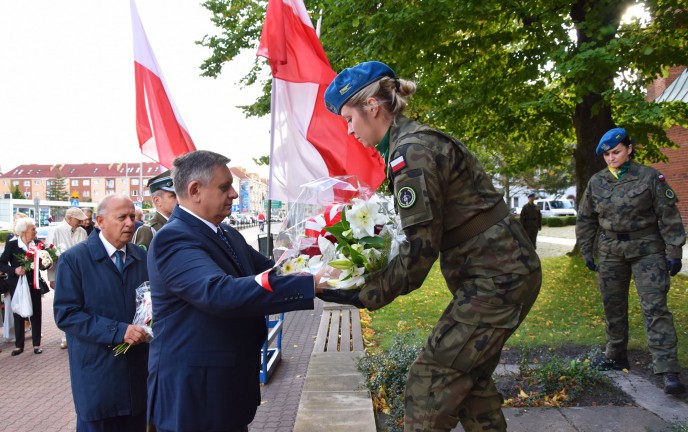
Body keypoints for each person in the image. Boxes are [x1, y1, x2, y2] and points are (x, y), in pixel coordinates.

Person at [321, 61, 542, 432]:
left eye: (348, 118)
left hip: (497, 279)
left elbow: (420, 251)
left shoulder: (412, 154)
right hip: (499, 273)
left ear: (372, 107)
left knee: (430, 381)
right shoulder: (411, 145)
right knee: (470, 383)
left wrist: (365, 294)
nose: (349, 129)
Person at [146, 150, 319, 432]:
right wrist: (310, 284)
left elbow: (272, 273)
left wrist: (324, 263)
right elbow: (219, 293)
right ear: (195, 191)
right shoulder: (173, 238)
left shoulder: (227, 233)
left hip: (226, 390)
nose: (234, 195)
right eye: (225, 187)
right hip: (195, 400)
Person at [576, 127, 686, 395]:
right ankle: (615, 355)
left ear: (629, 150)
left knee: (655, 307)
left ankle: (668, 369)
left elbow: (668, 216)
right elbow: (586, 218)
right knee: (612, 305)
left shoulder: (650, 177)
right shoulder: (597, 181)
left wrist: (674, 252)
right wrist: (586, 250)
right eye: (607, 155)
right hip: (611, 249)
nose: (611, 158)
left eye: (616, 152)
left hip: (647, 250)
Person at [53, 195, 149, 431]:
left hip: (137, 376)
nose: (129, 223)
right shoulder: (74, 260)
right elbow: (66, 314)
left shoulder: (142, 257)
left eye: (132, 217)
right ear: (99, 221)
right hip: (97, 375)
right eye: (122, 217)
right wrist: (118, 331)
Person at [0, 217, 49, 356]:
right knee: (18, 313)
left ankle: (36, 344)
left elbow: (45, 265)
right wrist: (14, 270)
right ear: (23, 231)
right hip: (17, 284)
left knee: (36, 312)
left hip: (33, 283)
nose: (35, 231)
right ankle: (19, 345)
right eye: (33, 229)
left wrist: (46, 262)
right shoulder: (12, 245)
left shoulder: (38, 244)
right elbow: (2, 263)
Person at [46, 207, 89, 349]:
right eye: (78, 219)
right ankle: (65, 336)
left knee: (80, 301)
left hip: (81, 272)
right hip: (62, 272)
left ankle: (78, 333)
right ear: (69, 218)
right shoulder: (56, 230)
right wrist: (52, 278)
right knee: (65, 304)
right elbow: (49, 256)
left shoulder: (82, 231)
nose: (81, 222)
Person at [133, 170, 177, 250]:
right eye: (174, 196)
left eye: (179, 195)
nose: (179, 199)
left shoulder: (181, 224)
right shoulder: (148, 231)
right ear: (157, 201)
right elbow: (141, 261)